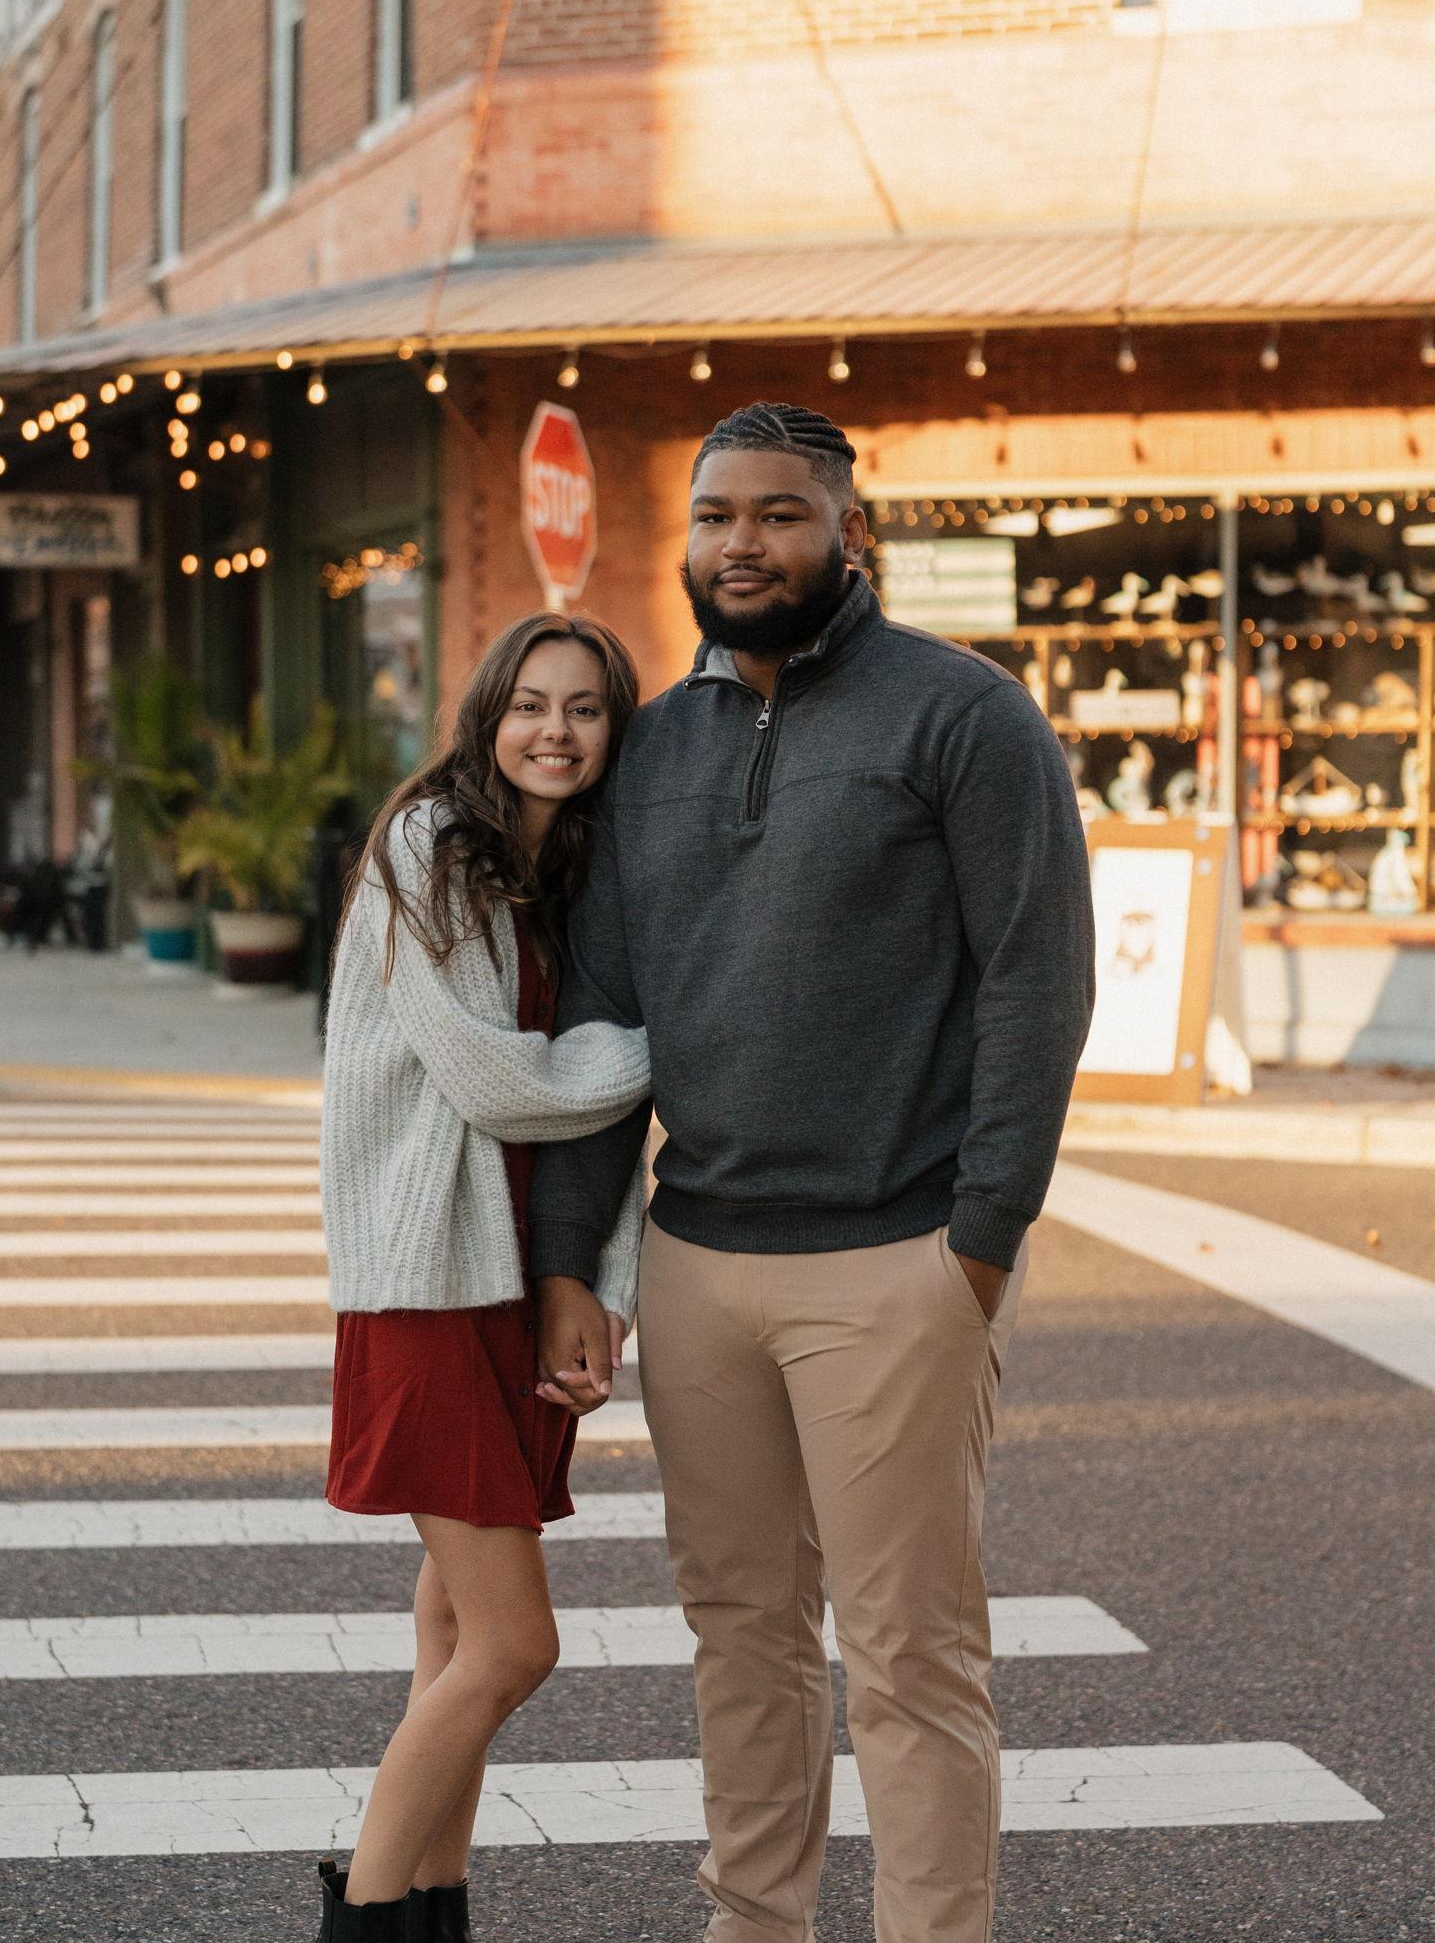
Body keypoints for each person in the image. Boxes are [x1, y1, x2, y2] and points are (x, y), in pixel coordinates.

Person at [529, 403, 1096, 1943]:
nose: (743, 546)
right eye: (717, 516)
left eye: (780, 516)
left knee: (909, 1654)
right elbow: (602, 1022)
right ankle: (756, 1923)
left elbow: (1038, 986)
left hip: (896, 1260)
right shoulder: (653, 748)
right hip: (700, 1259)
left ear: (854, 534)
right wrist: (578, 1257)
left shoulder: (965, 719)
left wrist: (979, 1244)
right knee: (740, 1634)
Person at [317, 612, 653, 1942]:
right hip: (428, 1286)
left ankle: (435, 1909)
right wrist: (667, 1050)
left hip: (508, 1273)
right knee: (516, 1647)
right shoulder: (432, 847)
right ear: (486, 714)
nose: (554, 733)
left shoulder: (561, 864)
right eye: (530, 705)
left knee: (456, 1634)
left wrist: (598, 1278)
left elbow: (591, 1128)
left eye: (584, 710)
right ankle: (369, 1918)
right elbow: (497, 1080)